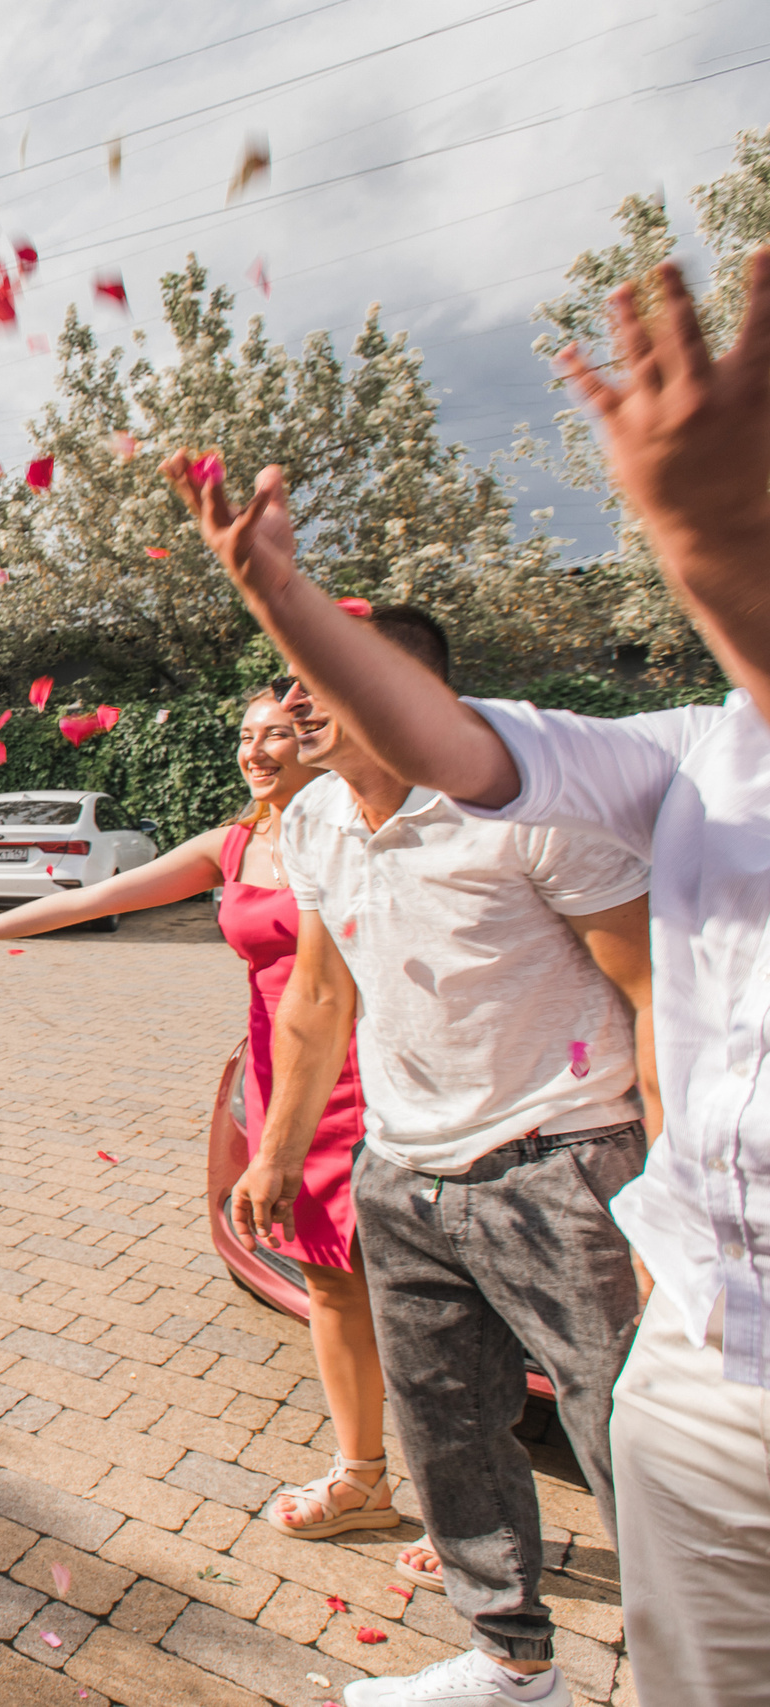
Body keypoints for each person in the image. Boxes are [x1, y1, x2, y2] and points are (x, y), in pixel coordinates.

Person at [165, 247, 770, 1706]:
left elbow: (633, 983)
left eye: (336, 678)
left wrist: (634, 1174)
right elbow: (325, 982)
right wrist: (275, 587)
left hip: (558, 1169)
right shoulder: (658, 759)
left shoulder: (604, 806)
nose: (299, 709)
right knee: (455, 1430)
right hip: (648, 1290)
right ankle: (512, 1660)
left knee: (616, 1446)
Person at [0, 685, 400, 1542]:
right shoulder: (235, 843)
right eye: (246, 735)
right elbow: (104, 897)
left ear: (319, 733)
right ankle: (364, 1475)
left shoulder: (364, 826)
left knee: (411, 1287)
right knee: (330, 1283)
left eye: (277, 731)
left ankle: (469, 1494)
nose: (258, 749)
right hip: (285, 1073)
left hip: (371, 1066)